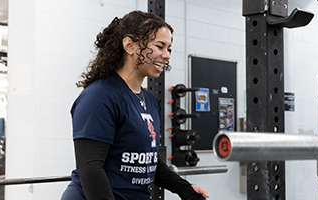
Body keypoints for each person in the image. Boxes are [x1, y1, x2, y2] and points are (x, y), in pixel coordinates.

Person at [60, 11, 209, 200]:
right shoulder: (99, 97)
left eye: (169, 48)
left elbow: (149, 161)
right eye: (159, 46)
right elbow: (90, 168)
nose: (167, 55)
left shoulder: (150, 101)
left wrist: (185, 188)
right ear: (130, 45)